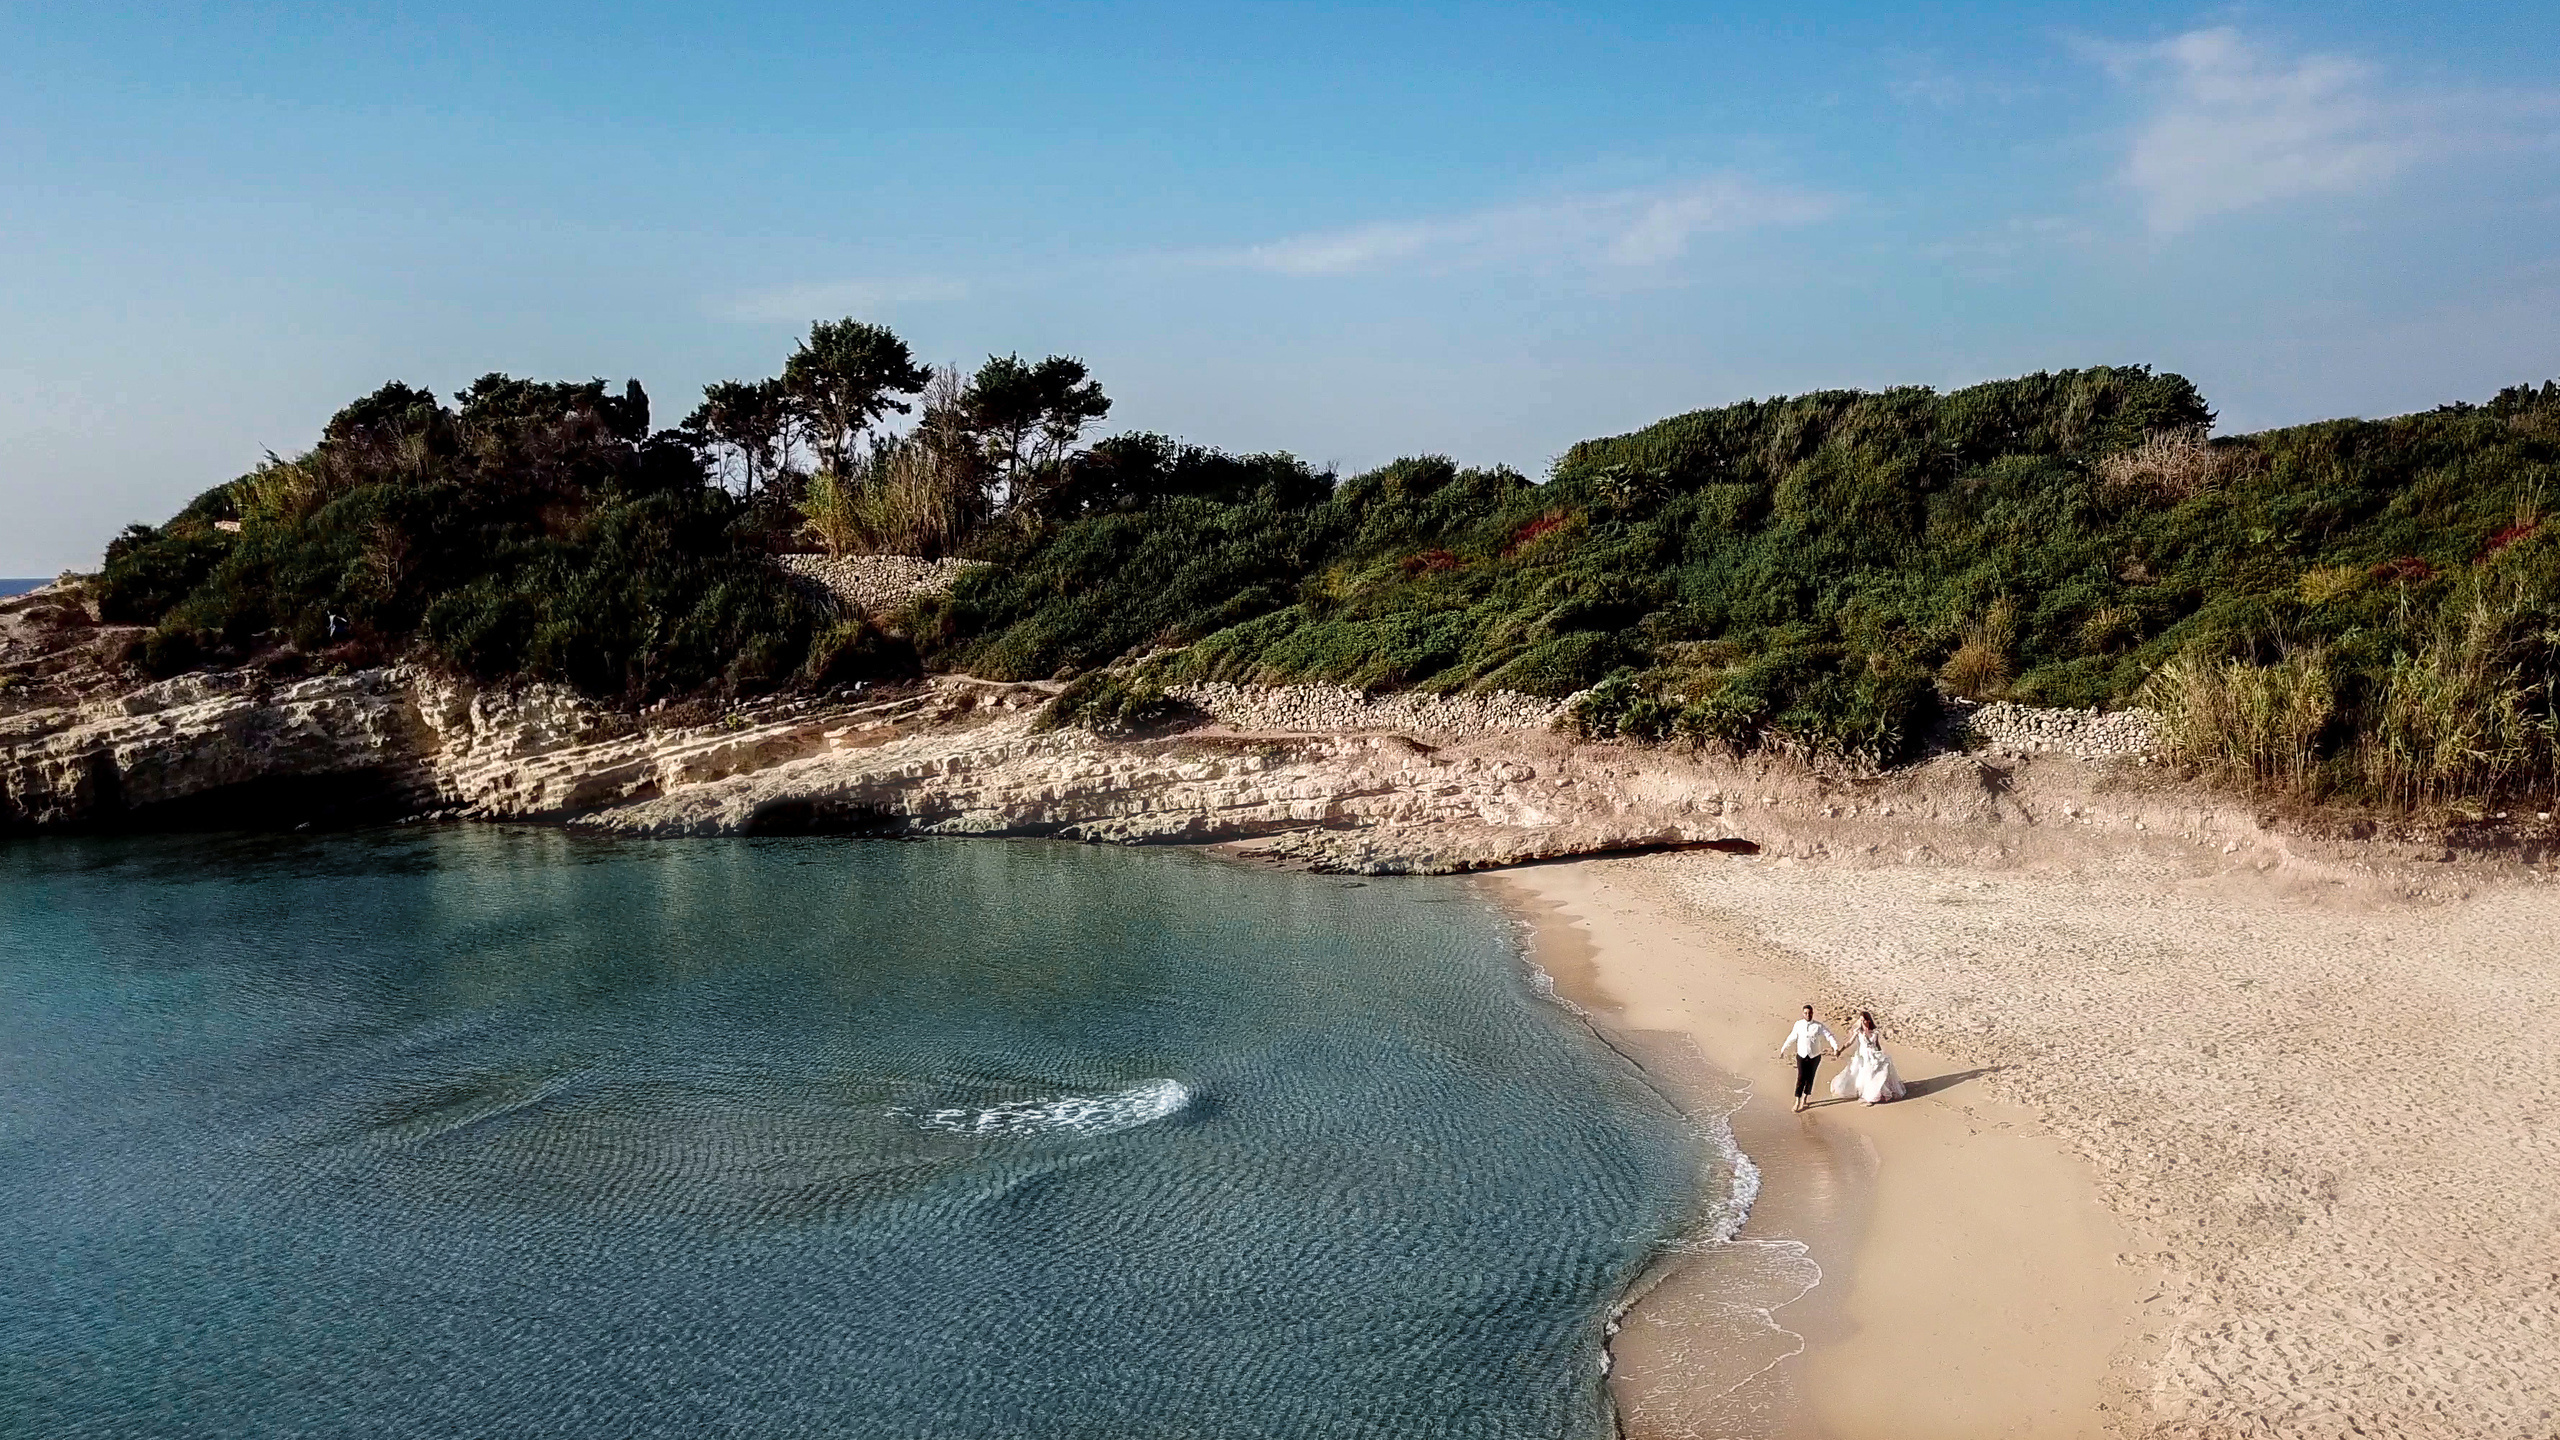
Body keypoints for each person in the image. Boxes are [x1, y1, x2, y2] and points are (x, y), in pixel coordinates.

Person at [1832, 1009, 1907, 1105]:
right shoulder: (1858, 1032)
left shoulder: (1874, 1032)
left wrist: (1880, 1054)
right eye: (1861, 1020)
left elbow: (1877, 1045)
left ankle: (1873, 1095)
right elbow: (1849, 1042)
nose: (1862, 1022)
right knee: (1867, 1074)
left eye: (1864, 1020)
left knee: (1876, 1073)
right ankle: (1868, 1096)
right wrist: (1840, 1050)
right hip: (1863, 1056)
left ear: (1869, 1020)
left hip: (1873, 1055)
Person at [1777, 1004, 1840, 1112]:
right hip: (1801, 1055)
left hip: (1814, 1056)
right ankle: (1797, 1100)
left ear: (1812, 1013)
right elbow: (1792, 1037)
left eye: (1810, 1013)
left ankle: (1804, 1099)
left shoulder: (1818, 1026)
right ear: (1803, 1013)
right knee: (1801, 1077)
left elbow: (1828, 1035)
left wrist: (1835, 1048)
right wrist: (1783, 1049)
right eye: (1806, 1013)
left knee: (1810, 1077)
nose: (1808, 1015)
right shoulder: (1798, 1024)